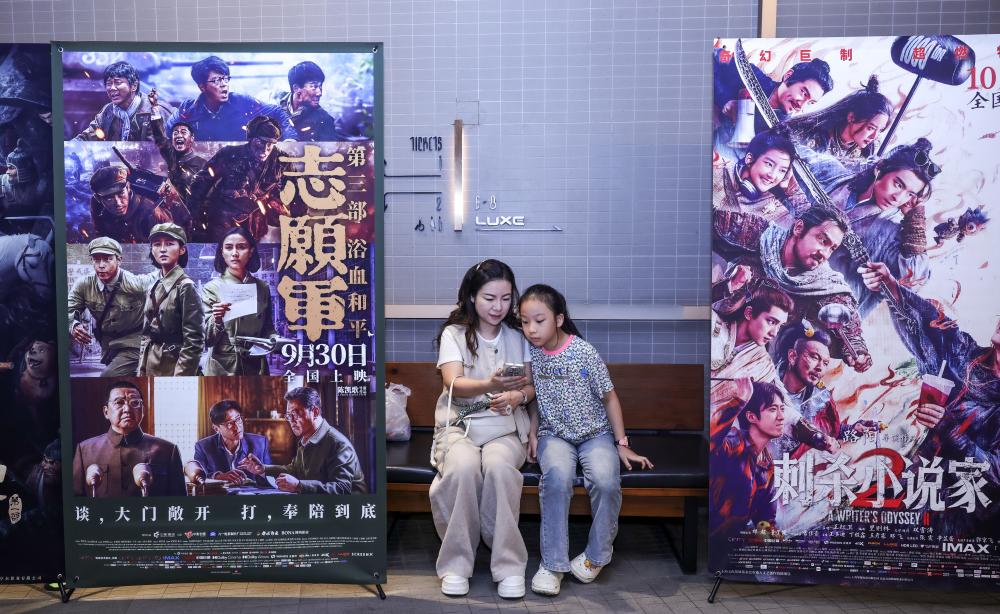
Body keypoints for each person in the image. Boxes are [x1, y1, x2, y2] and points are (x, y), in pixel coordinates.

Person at [519, 284, 652, 596]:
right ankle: (553, 564)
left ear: (559, 319)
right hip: (555, 435)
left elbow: (610, 398)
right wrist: (534, 432)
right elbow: (535, 398)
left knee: (605, 481)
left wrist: (621, 443)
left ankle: (596, 556)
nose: (531, 329)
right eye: (525, 322)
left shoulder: (584, 352)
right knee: (556, 479)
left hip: (595, 435)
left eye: (539, 320)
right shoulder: (532, 355)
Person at [861, 263, 1000, 538]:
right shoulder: (966, 355)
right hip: (914, 480)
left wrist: (949, 428)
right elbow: (933, 326)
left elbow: (994, 472)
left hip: (960, 513)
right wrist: (891, 285)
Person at [427, 259, 535, 599]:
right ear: (472, 296)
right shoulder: (455, 334)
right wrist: (491, 383)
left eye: (505, 298)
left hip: (505, 428)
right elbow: (453, 383)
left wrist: (517, 396)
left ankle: (509, 565)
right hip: (459, 425)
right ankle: (457, 564)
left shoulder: (518, 335)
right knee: (462, 468)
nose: (498, 307)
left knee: (500, 469)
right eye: (489, 298)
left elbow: (531, 386)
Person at [713, 205, 872, 371]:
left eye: (832, 248)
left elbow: (846, 318)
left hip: (747, 360)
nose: (825, 254)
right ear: (799, 228)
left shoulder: (825, 283)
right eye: (823, 241)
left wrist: (857, 351)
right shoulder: (756, 232)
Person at [827, 139, 940, 317]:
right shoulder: (840, 180)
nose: (898, 198)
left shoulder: (889, 232)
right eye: (898, 184)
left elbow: (915, 280)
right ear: (880, 169)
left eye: (910, 194)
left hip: (832, 313)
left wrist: (915, 222)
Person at [238, 386, 367, 494]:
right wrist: (262, 469)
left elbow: (342, 489)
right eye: (289, 416)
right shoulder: (306, 439)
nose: (291, 421)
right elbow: (294, 470)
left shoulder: (337, 443)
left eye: (296, 414)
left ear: (315, 412)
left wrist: (299, 486)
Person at [71, 380, 185, 497]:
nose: (127, 409)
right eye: (119, 402)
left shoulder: (168, 450)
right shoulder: (85, 450)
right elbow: (76, 498)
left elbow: (179, 500)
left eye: (134, 402)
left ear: (142, 410)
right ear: (106, 412)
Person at [709, 379, 785, 551]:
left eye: (782, 409)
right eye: (773, 409)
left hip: (733, 548)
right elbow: (711, 437)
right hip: (711, 542)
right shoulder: (733, 442)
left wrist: (769, 532)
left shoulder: (767, 464)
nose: (781, 417)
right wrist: (739, 401)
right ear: (751, 417)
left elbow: (766, 517)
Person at [185, 116, 287, 242]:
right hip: (222, 218)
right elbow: (200, 183)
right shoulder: (229, 154)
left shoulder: (280, 161)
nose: (265, 149)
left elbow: (289, 191)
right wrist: (195, 216)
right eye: (260, 142)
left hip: (253, 223)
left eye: (270, 144)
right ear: (251, 138)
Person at [714, 48, 833, 154]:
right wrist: (725, 98)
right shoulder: (754, 77)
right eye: (804, 93)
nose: (801, 106)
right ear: (788, 75)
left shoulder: (781, 130)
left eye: (810, 102)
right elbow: (716, 54)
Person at [67, 237, 156, 376]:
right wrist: (73, 325)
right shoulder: (84, 285)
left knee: (108, 376)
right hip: (109, 346)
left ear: (119, 260)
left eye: (107, 259)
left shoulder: (136, 284)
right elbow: (68, 310)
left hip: (135, 343)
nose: (101, 265)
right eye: (96, 260)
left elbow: (160, 277)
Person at [202, 226, 277, 375]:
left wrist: (276, 340)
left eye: (241, 247)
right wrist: (217, 319)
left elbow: (268, 328)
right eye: (229, 247)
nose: (235, 253)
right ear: (222, 252)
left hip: (256, 362)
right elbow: (208, 340)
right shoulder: (212, 288)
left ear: (251, 251)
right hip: (224, 365)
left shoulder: (262, 287)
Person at [166, 55, 296, 141]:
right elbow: (167, 132)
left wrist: (290, 139)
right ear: (202, 87)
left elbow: (278, 112)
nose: (224, 84)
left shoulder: (243, 103)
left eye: (226, 79)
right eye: (217, 80)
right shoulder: (188, 110)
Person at [711, 281, 793, 417]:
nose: (774, 333)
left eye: (779, 326)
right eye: (771, 322)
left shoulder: (764, 366)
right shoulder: (713, 323)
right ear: (749, 313)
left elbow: (780, 406)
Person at [137, 223, 204, 377]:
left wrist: (181, 377)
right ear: (152, 250)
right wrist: (141, 368)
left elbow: (194, 341)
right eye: (157, 244)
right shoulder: (154, 285)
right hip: (150, 363)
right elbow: (146, 334)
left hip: (173, 366)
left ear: (182, 249)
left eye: (169, 244)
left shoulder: (186, 287)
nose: (162, 249)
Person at [785, 75, 893, 171]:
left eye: (880, 130)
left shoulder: (865, 155)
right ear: (851, 117)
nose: (873, 137)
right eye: (871, 128)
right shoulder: (812, 135)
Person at [712, 126, 808, 224]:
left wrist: (792, 189)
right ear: (749, 159)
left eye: (782, 170)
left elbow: (806, 224)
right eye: (769, 164)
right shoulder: (717, 167)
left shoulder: (776, 210)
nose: (773, 176)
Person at [73, 61, 174, 142]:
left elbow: (170, 147)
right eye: (109, 83)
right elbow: (88, 136)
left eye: (118, 83)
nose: (112, 88)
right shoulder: (108, 111)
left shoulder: (157, 111)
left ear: (134, 86)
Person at [148, 89, 207, 208]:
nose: (179, 135)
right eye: (175, 133)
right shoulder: (172, 157)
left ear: (192, 138)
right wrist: (154, 108)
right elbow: (160, 137)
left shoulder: (202, 164)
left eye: (183, 132)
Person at [193, 399, 271, 487]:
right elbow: (198, 478)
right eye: (229, 424)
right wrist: (217, 477)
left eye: (238, 419)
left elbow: (272, 479)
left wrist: (261, 472)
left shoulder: (260, 443)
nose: (237, 427)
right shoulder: (203, 447)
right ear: (216, 428)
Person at [87, 165, 171, 244]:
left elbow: (168, 246)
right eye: (109, 198)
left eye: (121, 194)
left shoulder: (151, 213)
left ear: (128, 188)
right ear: (98, 199)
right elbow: (100, 233)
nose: (118, 203)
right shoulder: (97, 206)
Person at [279, 61, 349, 142]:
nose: (319, 93)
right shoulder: (275, 107)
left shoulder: (324, 120)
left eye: (320, 86)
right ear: (296, 88)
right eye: (314, 87)